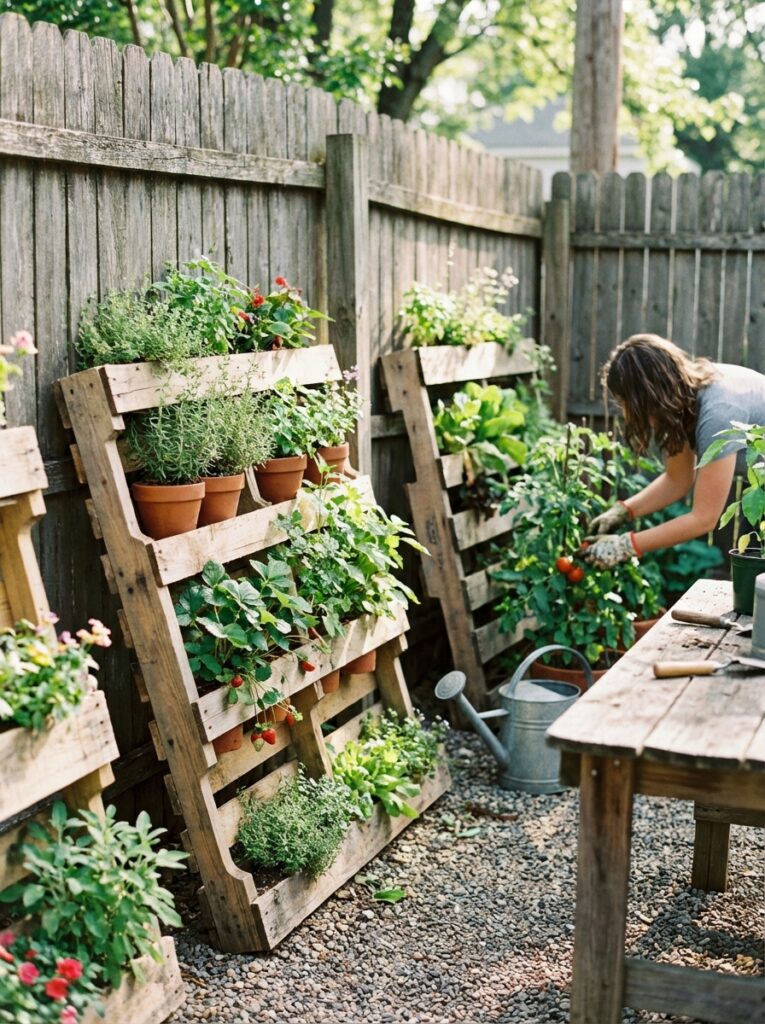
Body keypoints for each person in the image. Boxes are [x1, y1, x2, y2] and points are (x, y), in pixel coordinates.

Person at [581, 333, 765, 569]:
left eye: (627, 404)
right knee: (752, 572)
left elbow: (704, 519)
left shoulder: (718, 413)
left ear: (648, 397)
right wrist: (624, 511)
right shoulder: (685, 400)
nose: (627, 414)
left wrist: (624, 546)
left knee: (754, 574)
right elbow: (677, 480)